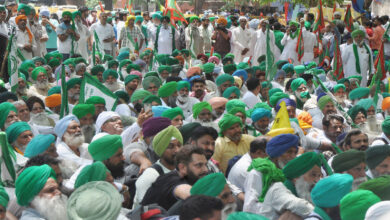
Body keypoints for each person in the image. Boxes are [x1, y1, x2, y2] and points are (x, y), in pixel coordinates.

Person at [141, 146, 209, 210]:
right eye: (199, 165)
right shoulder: (171, 181)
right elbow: (188, 193)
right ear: (182, 168)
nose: (205, 169)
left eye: (206, 165)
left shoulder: (193, 179)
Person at [134, 125, 183, 208]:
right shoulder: (151, 175)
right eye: (171, 146)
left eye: (179, 145)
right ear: (161, 149)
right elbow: (145, 210)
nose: (177, 150)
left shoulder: (182, 170)